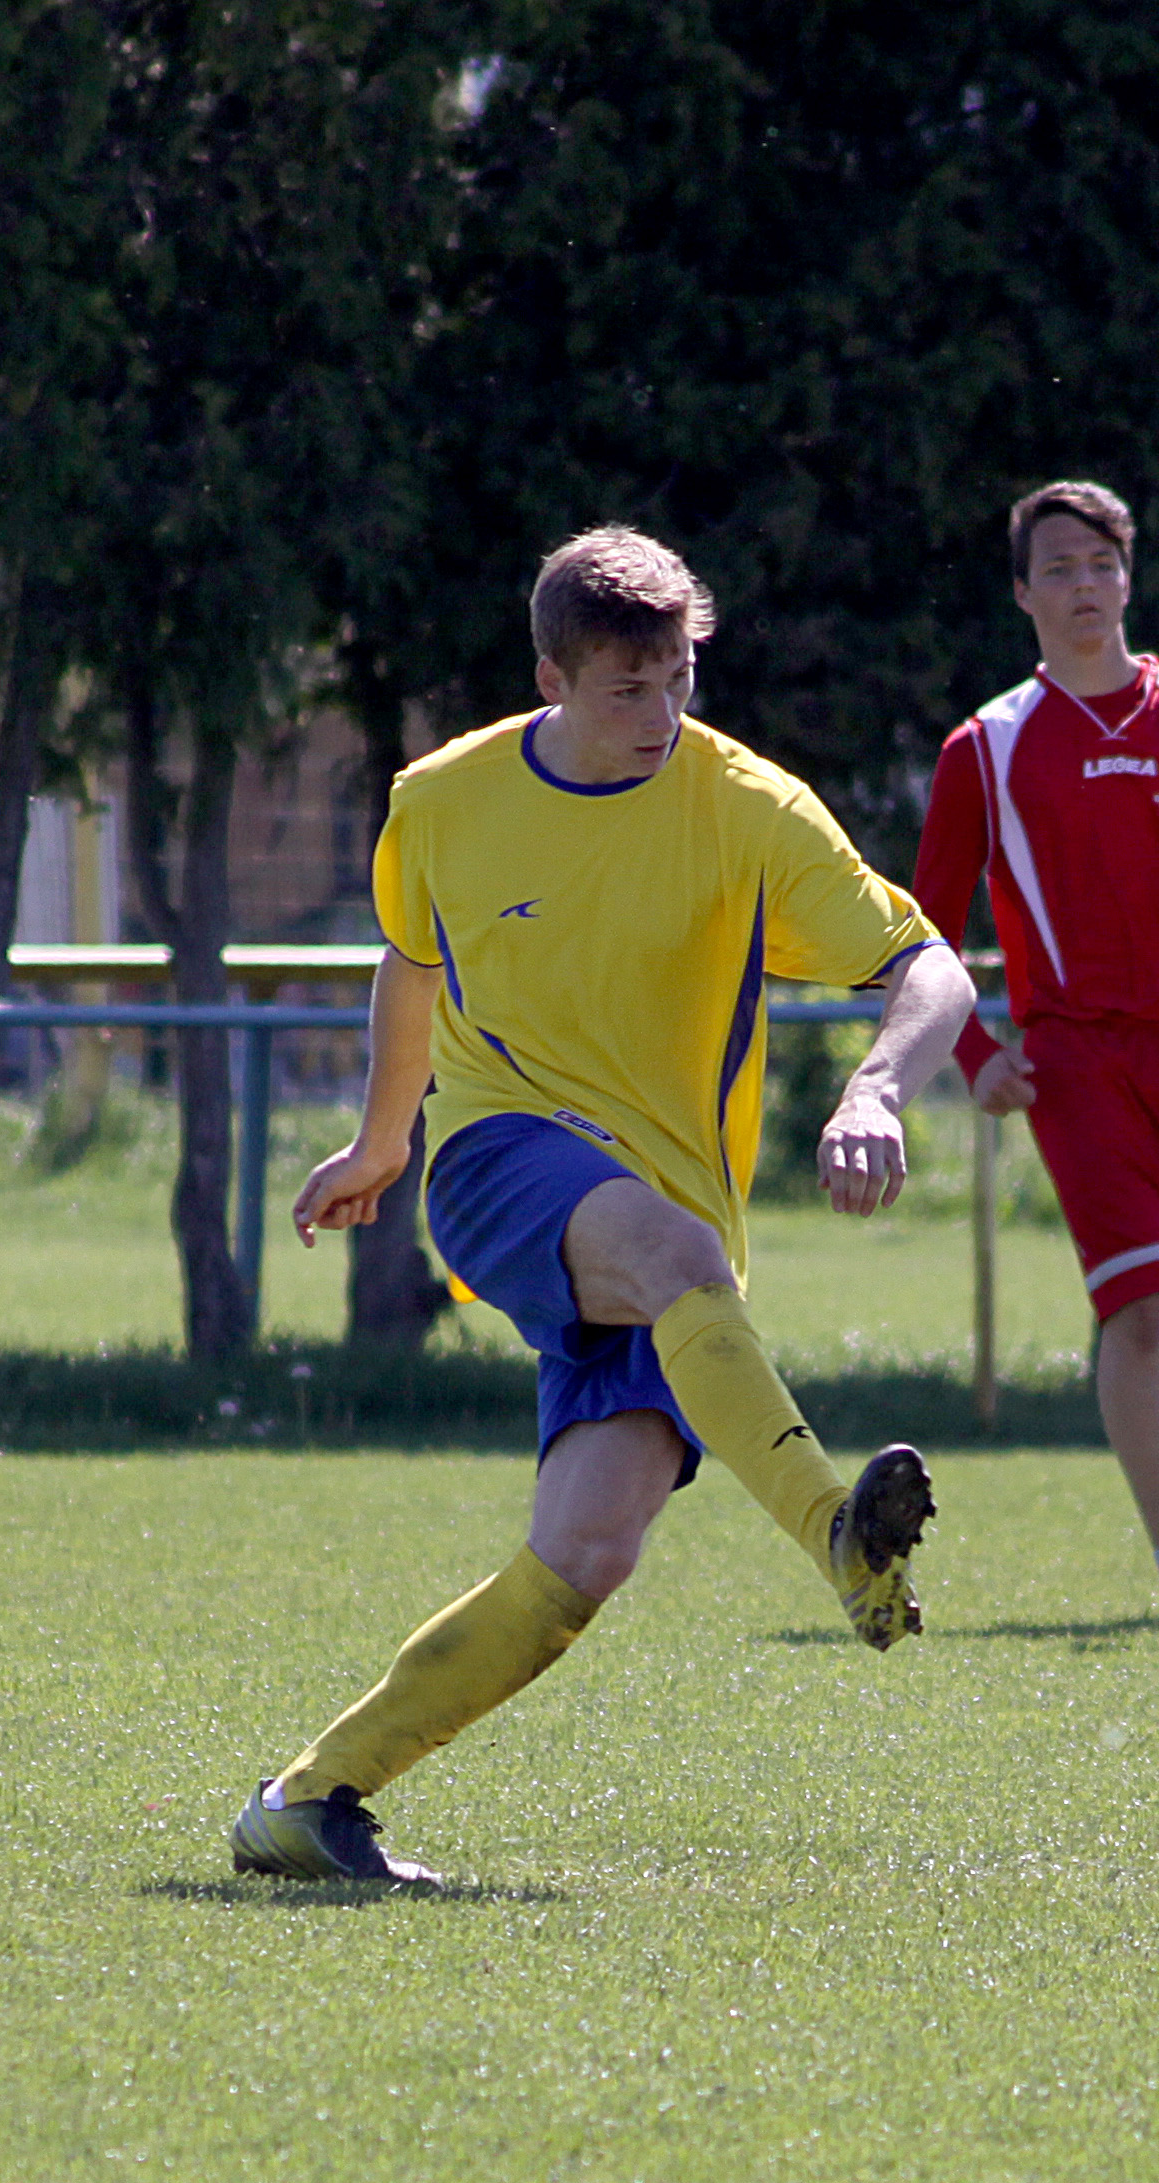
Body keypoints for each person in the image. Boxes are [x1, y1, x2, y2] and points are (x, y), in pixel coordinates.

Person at [241, 527, 973, 1885]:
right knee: (675, 1253)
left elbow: (932, 969)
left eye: (678, 679)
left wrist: (875, 1091)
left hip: (671, 1231)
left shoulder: (748, 805)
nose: (661, 713)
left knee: (585, 1552)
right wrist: (382, 1141)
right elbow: (413, 963)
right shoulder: (444, 801)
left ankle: (305, 1801)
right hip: (500, 1155)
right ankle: (840, 1538)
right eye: (628, 688)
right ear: (553, 677)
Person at [909, 482, 1159, 1626]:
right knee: (1137, 1309)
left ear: (1130, 579)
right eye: (1060, 567)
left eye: (1103, 564)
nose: (1085, 585)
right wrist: (976, 1052)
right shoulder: (987, 746)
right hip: (1077, 1061)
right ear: (1024, 592)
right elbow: (921, 931)